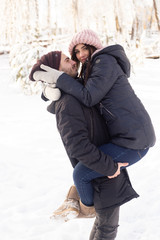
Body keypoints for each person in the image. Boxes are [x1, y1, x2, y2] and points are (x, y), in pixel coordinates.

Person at [32, 29, 156, 208]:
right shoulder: (92, 66)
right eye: (76, 52)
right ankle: (90, 207)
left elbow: (88, 96)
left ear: (93, 46)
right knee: (86, 169)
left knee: (80, 174)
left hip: (135, 139)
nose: (80, 55)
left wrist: (59, 78)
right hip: (126, 136)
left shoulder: (104, 62)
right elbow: (77, 87)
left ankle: (88, 209)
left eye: (84, 48)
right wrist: (48, 89)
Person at [29, 51, 139, 239]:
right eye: (67, 60)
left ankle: (73, 201)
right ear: (56, 71)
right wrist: (109, 166)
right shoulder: (68, 102)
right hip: (101, 172)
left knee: (103, 225)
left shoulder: (76, 91)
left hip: (102, 167)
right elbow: (77, 146)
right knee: (107, 229)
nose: (73, 62)